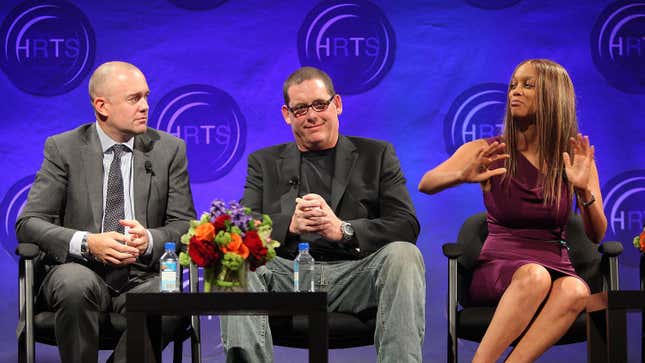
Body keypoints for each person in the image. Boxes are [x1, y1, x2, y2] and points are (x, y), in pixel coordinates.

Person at [220, 66, 425, 362]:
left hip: (356, 275)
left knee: (404, 256)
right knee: (236, 260)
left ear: (337, 104)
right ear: (287, 114)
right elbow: (242, 228)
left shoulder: (377, 155)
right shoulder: (263, 162)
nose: (311, 115)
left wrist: (343, 230)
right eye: (300, 108)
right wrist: (289, 225)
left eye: (319, 104)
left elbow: (406, 225)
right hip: (287, 276)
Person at [419, 59, 607, 362]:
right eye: (513, 85)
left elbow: (596, 234)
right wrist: (461, 174)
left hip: (555, 264)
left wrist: (584, 191)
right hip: (500, 267)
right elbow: (427, 183)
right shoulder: (489, 150)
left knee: (576, 289)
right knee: (534, 276)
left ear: (552, 96)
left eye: (527, 85)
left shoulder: (573, 159)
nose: (514, 92)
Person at [15, 61, 196, 363]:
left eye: (146, 97)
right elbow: (28, 223)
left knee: (174, 289)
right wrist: (88, 242)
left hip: (143, 277)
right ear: (102, 106)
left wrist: (150, 239)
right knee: (75, 284)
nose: (145, 106)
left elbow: (185, 224)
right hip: (79, 269)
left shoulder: (168, 150)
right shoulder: (64, 149)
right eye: (134, 99)